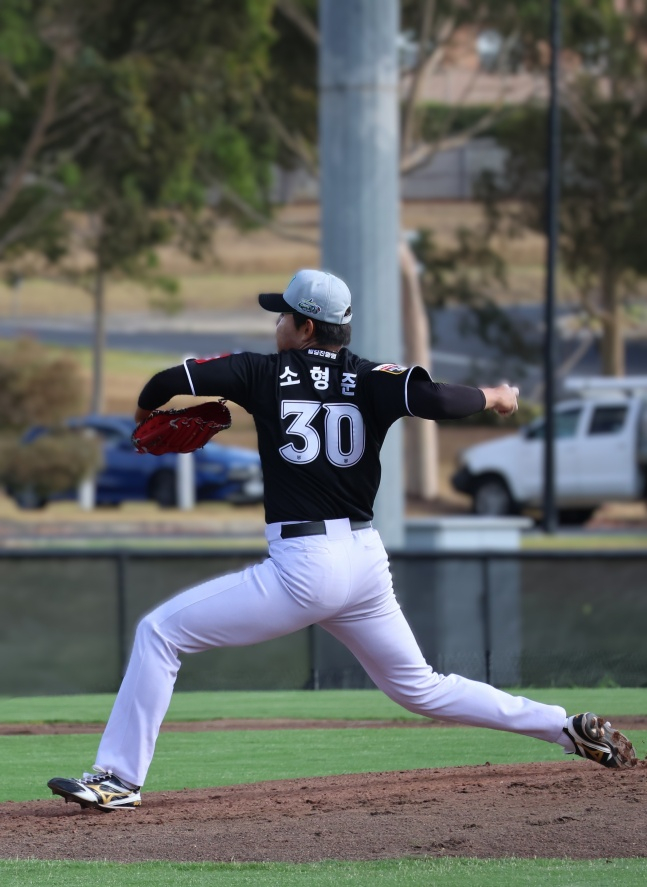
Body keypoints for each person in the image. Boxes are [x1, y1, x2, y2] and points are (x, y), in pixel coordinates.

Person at [48, 269, 635, 811]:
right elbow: (437, 399)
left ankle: (118, 779)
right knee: (421, 687)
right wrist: (498, 397)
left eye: (282, 316)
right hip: (362, 563)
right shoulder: (370, 377)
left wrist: (145, 410)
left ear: (304, 326)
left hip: (303, 568)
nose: (276, 324)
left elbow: (165, 380)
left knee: (160, 633)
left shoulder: (260, 371)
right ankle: (563, 726)